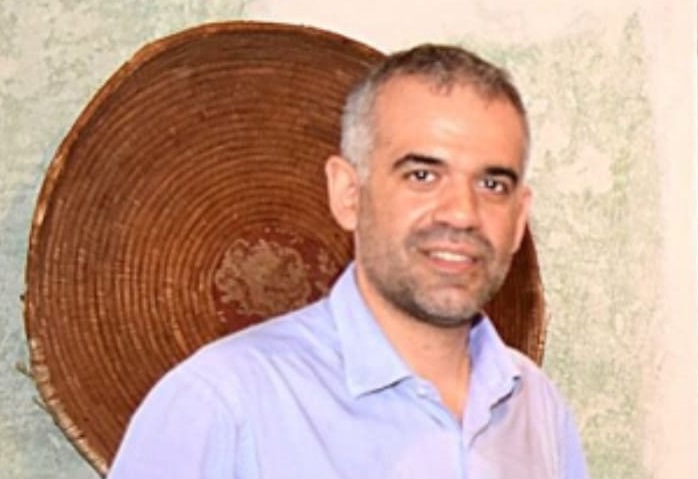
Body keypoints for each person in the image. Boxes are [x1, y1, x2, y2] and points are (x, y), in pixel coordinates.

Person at [108, 44, 588, 479]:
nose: (462, 213)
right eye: (422, 175)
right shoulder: (222, 404)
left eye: (492, 185)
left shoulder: (536, 408)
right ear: (348, 194)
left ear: (519, 218)